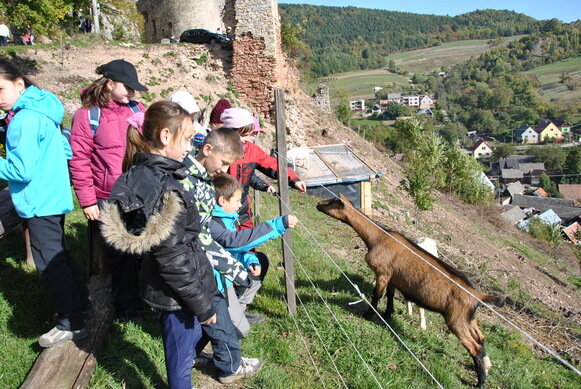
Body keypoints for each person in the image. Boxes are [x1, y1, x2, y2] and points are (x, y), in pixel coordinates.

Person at [99, 101, 217, 389]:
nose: (191, 147)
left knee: (186, 344)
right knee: (179, 357)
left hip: (167, 283)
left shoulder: (142, 174)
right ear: (165, 136)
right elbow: (172, 258)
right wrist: (202, 304)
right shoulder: (165, 188)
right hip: (175, 293)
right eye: (188, 139)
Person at [0, 59, 91, 347]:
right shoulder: (44, 109)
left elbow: (20, 171)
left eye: (0, 89)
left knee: (49, 264)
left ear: (19, 84)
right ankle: (81, 304)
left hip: (38, 200)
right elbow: (65, 148)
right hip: (54, 194)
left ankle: (71, 323)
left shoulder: (22, 121)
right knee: (59, 255)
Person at [180, 128, 264, 384]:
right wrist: (278, 226)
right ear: (207, 150)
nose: (225, 168)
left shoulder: (202, 182)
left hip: (208, 272)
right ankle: (230, 367)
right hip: (206, 273)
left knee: (208, 324)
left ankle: (195, 356)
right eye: (224, 162)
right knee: (222, 327)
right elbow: (226, 241)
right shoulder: (193, 185)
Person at [69, 59, 147, 322]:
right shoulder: (87, 116)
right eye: (128, 87)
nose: (132, 93)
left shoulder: (138, 110)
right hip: (107, 195)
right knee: (120, 253)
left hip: (138, 192)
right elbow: (79, 159)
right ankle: (126, 306)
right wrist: (87, 201)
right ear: (110, 83)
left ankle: (139, 296)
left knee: (141, 246)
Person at [210, 173, 298, 324]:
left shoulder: (228, 217)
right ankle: (229, 316)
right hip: (215, 283)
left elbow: (233, 250)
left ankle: (239, 308)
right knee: (239, 331)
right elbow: (234, 242)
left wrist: (250, 259)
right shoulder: (214, 222)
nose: (240, 205)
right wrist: (278, 224)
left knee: (260, 260)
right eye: (237, 201)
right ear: (222, 200)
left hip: (226, 273)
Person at [220, 107, 307, 230]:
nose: (251, 136)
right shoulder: (218, 149)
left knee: (246, 239)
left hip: (242, 205)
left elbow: (272, 164)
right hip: (220, 205)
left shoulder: (253, 150)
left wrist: (293, 179)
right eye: (247, 133)